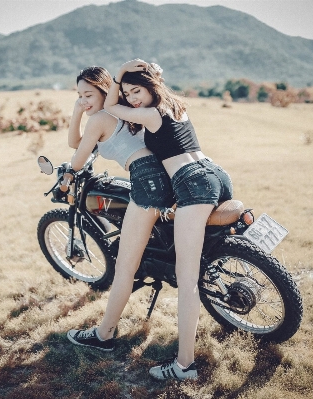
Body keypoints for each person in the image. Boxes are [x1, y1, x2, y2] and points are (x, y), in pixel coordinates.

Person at [103, 59, 234, 381]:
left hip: (193, 182)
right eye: (127, 92)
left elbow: (108, 106)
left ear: (151, 86)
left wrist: (118, 76)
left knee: (186, 279)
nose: (132, 98)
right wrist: (141, 79)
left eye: (137, 90)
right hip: (216, 173)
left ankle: (184, 365)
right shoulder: (175, 105)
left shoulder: (149, 114)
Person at [65, 67, 174, 353]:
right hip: (169, 173)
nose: (83, 100)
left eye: (88, 94)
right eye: (78, 96)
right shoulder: (126, 111)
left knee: (125, 267)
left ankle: (104, 335)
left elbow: (77, 157)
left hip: (147, 178)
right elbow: (81, 143)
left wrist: (67, 174)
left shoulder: (102, 118)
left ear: (104, 90)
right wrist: (78, 111)